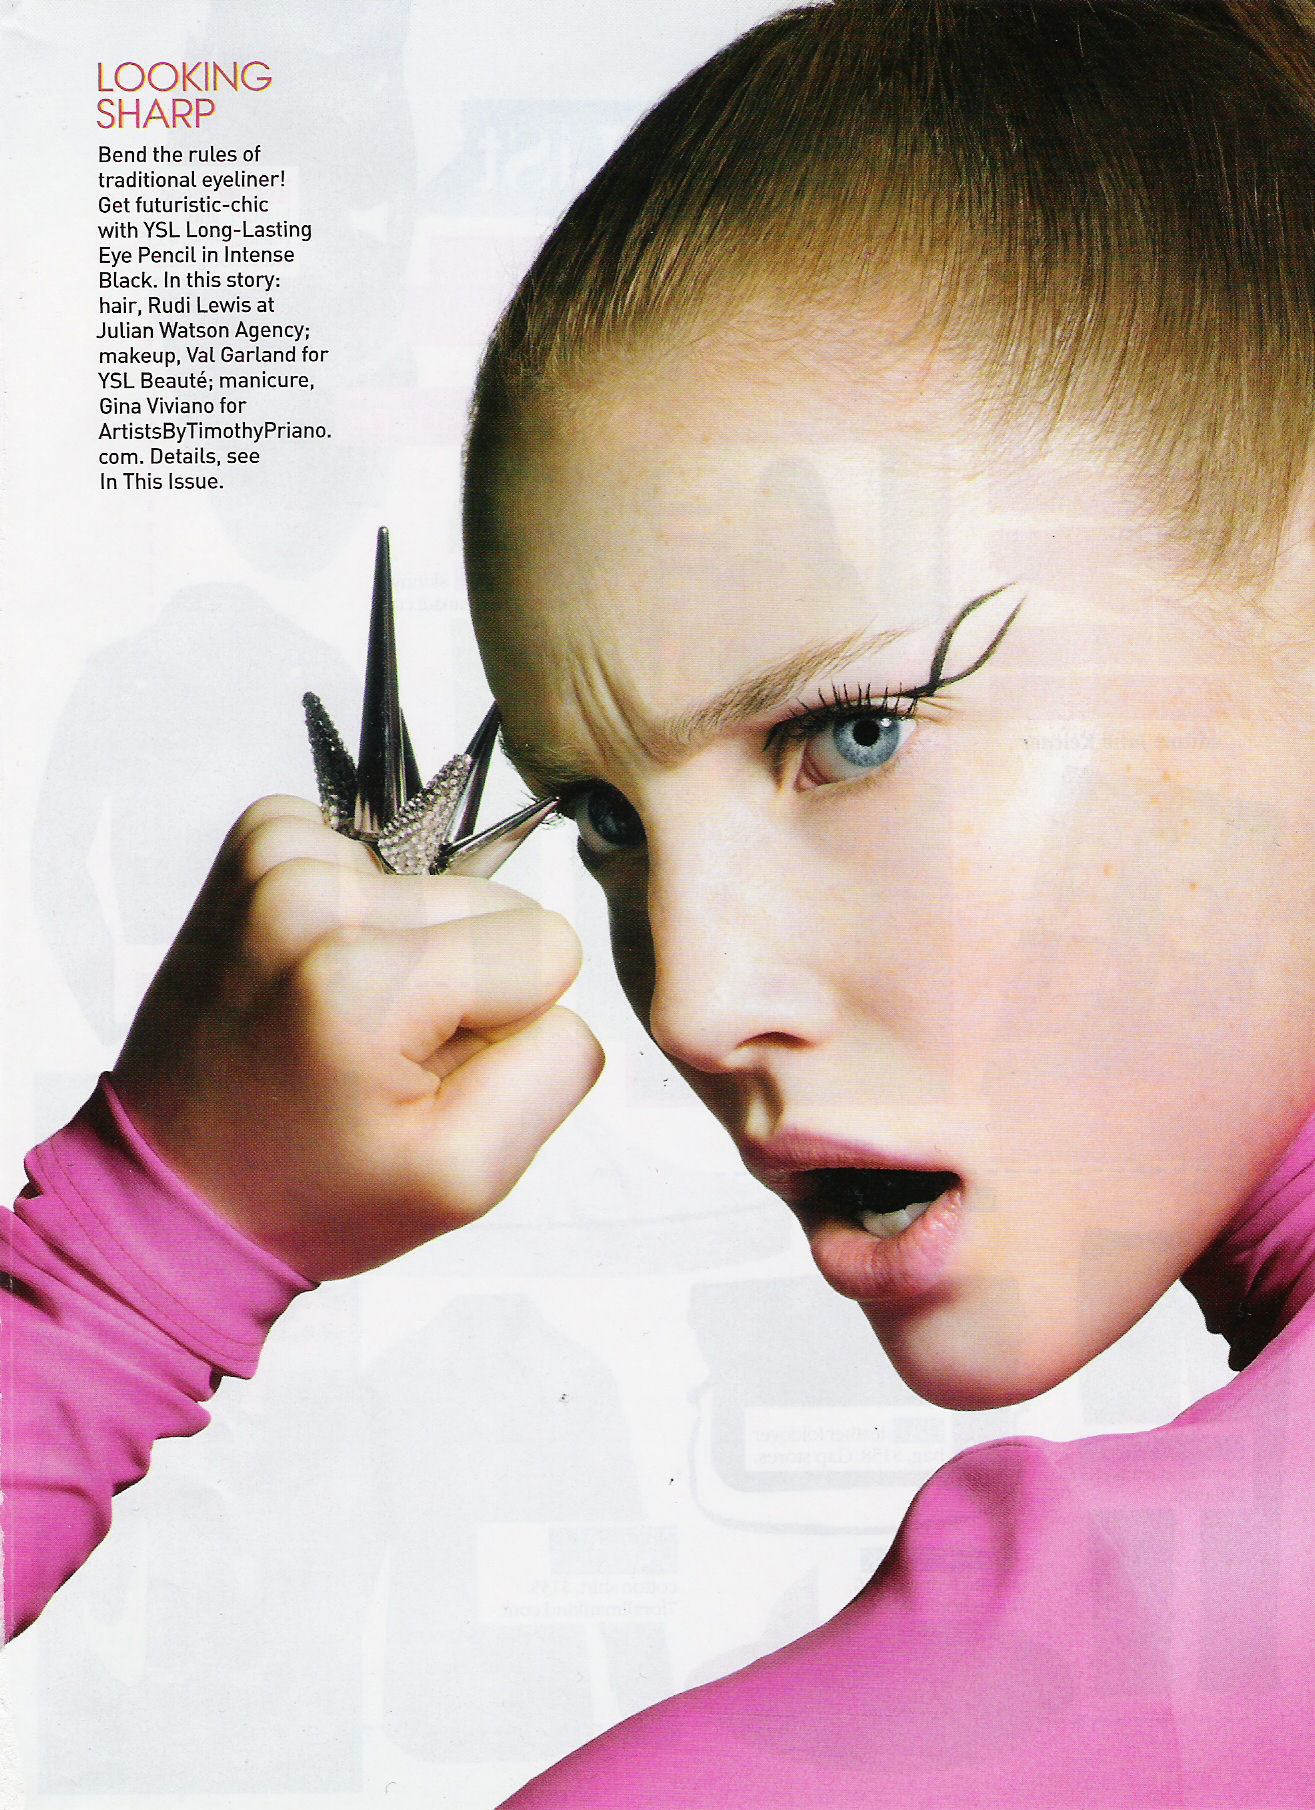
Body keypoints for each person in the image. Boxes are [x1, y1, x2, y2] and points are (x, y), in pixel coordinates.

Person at [9, 2, 1315, 1803]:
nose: (690, 998)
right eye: (606, 820)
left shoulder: (1128, 1662)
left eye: (851, 733)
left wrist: (138, 1252)